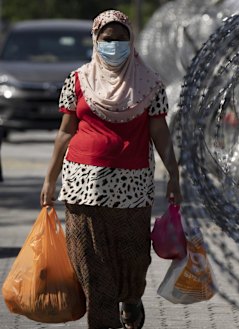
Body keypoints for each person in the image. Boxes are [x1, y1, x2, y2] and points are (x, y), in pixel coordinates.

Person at [40, 9, 182, 329]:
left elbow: (160, 132)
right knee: (90, 263)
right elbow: (65, 131)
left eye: (121, 39)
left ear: (131, 41)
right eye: (107, 39)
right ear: (95, 40)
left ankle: (130, 299)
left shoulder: (150, 85)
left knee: (133, 257)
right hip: (81, 185)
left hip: (132, 190)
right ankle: (104, 319)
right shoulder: (77, 80)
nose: (114, 46)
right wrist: (50, 179)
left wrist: (174, 174)